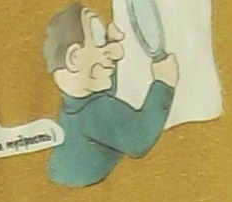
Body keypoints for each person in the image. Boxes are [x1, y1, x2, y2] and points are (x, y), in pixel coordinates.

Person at [44, 3, 178, 189]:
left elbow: (101, 88)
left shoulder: (76, 103)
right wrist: (163, 84)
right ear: (74, 57)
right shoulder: (96, 110)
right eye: (99, 41)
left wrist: (109, 41)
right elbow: (139, 138)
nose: (116, 53)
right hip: (85, 197)